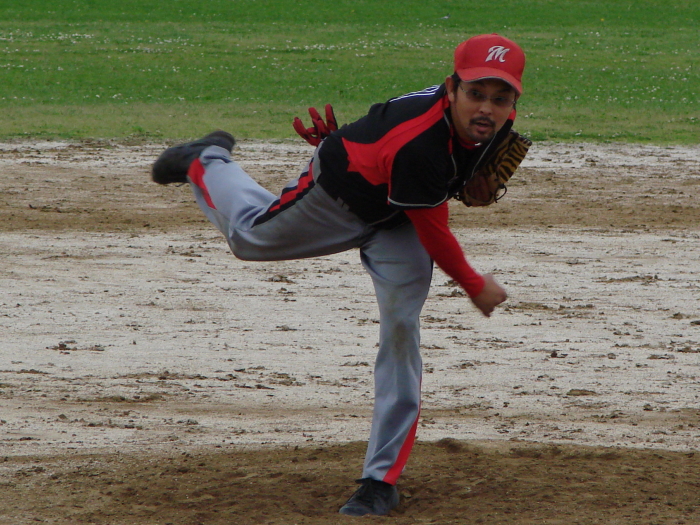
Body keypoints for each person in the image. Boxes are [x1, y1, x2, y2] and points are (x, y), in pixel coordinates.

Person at [151, 33, 526, 516]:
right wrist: (474, 284)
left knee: (401, 329)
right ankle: (207, 158)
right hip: (339, 197)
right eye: (475, 93)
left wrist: (465, 182)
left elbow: (443, 178)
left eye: (500, 98)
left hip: (398, 220)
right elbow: (434, 229)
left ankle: (380, 480)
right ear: (451, 88)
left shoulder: (493, 123)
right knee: (248, 238)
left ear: (514, 101)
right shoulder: (417, 141)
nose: (487, 108)